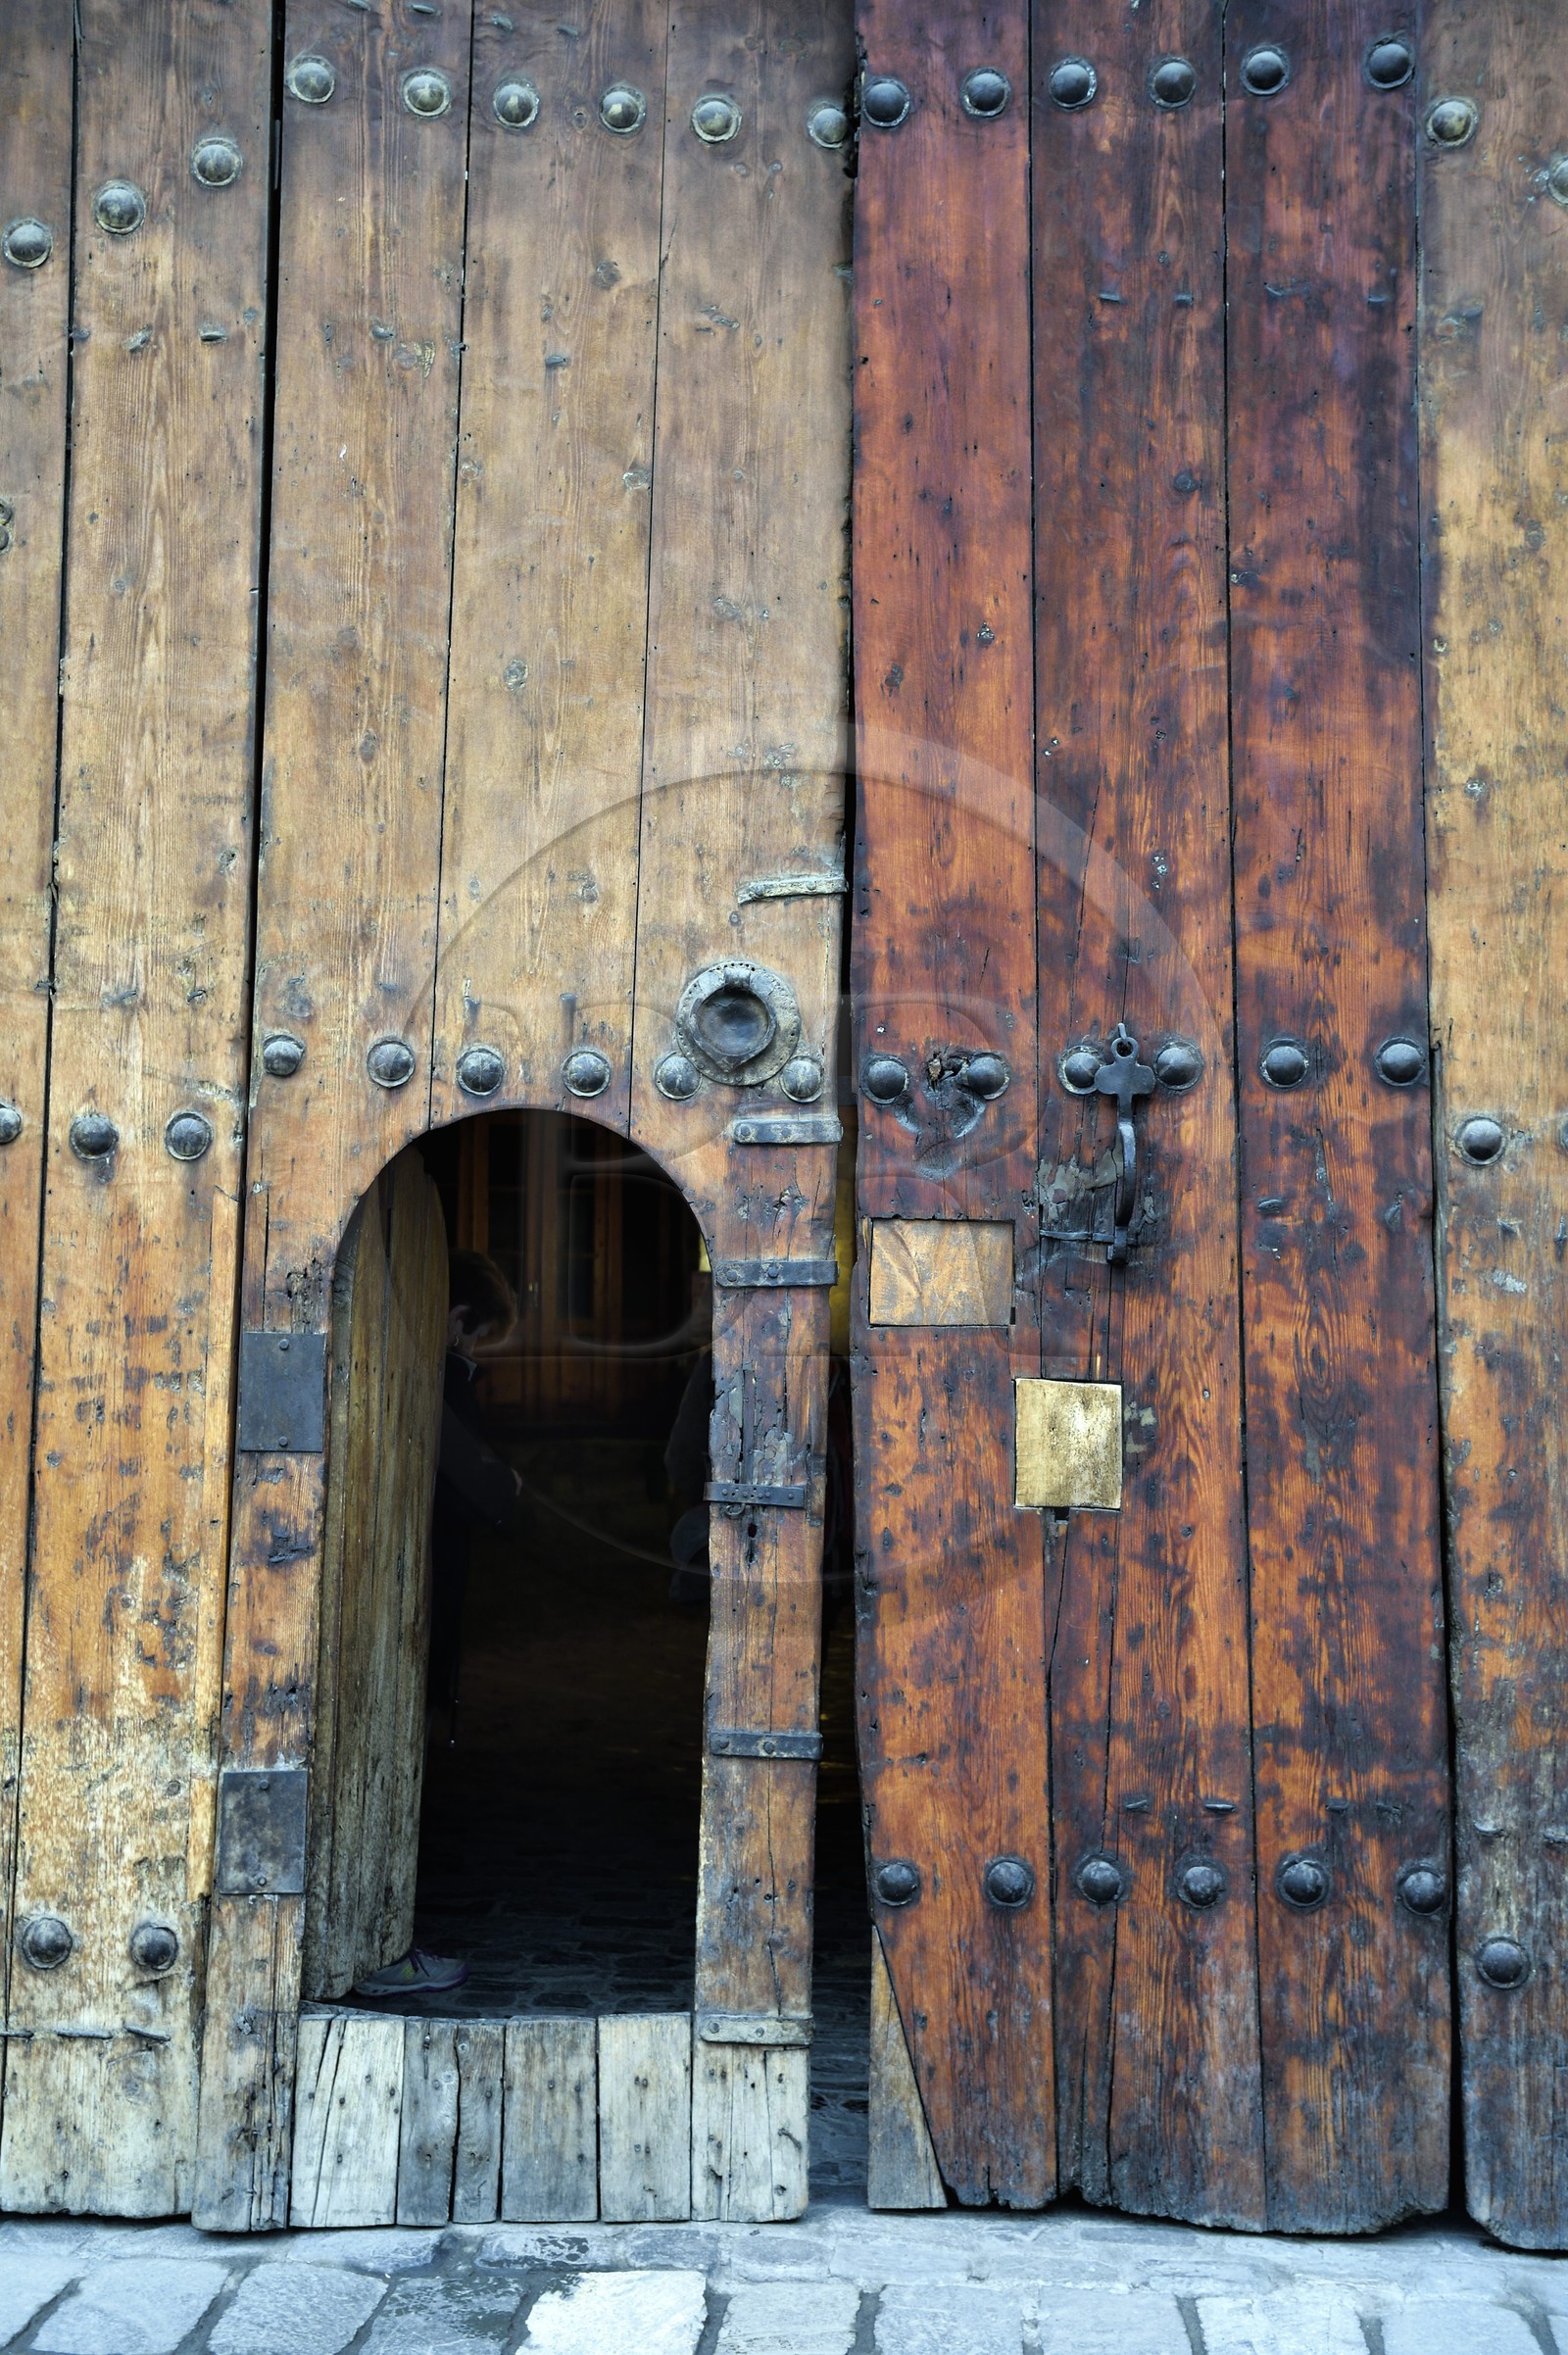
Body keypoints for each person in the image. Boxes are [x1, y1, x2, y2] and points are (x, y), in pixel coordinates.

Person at [354, 1248, 520, 2001]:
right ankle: (376, 1939)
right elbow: (461, 1484)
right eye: (477, 1336)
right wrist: (501, 1484)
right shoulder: (440, 1375)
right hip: (411, 1585)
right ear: (456, 1319)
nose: (478, 1352)